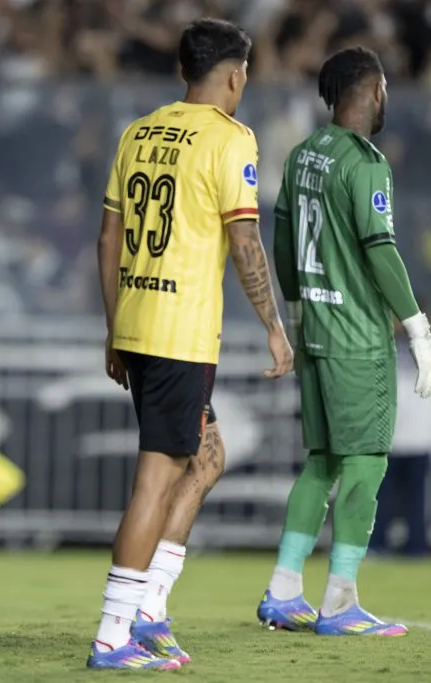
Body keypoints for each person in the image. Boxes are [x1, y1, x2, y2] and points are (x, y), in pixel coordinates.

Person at [90, 18, 293, 670]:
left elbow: (108, 237)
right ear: (236, 76)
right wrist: (273, 324)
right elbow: (245, 240)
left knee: (206, 457)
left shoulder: (139, 131)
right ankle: (113, 633)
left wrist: (115, 327)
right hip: (180, 334)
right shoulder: (232, 139)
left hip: (138, 324)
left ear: (183, 70)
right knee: (156, 480)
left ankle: (149, 608)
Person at [259, 46, 431, 637]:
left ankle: (283, 590)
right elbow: (379, 249)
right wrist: (417, 327)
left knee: (322, 463)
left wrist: (295, 311)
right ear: (375, 90)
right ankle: (339, 601)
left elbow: (282, 238)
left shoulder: (303, 154)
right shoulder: (366, 164)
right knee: (365, 462)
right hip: (357, 337)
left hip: (314, 332)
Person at [371, 308, 431, 557]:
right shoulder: (380, 344)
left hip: (421, 435)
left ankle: (417, 547)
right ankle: (377, 544)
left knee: (417, 497)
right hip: (387, 435)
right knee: (380, 496)